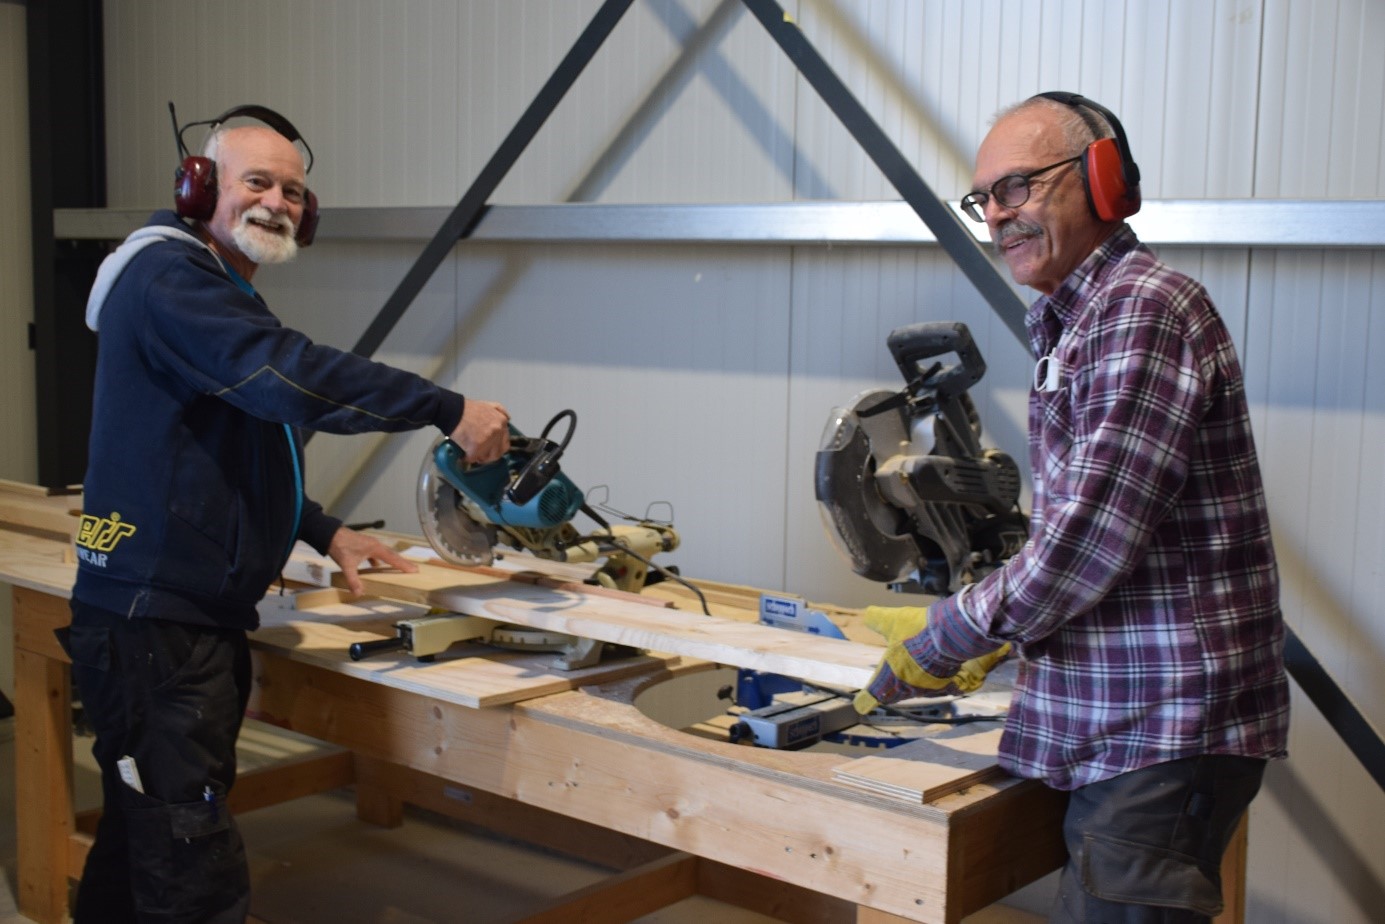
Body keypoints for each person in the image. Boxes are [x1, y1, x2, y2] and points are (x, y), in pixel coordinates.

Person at [63, 108, 511, 923]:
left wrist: (322, 529)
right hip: (159, 623)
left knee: (145, 836)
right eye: (257, 182)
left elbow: (217, 451)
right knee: (189, 859)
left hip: (161, 613)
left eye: (293, 191)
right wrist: (445, 408)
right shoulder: (172, 281)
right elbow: (285, 377)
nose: (276, 202)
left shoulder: (209, 288)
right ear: (199, 188)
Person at [853, 92, 1289, 922]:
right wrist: (1001, 631)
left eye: (1016, 186)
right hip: (1123, 718)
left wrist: (949, 633)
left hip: (1161, 726)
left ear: (1102, 179)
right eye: (983, 198)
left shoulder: (1140, 310)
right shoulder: (1075, 320)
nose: (995, 215)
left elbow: (1084, 545)